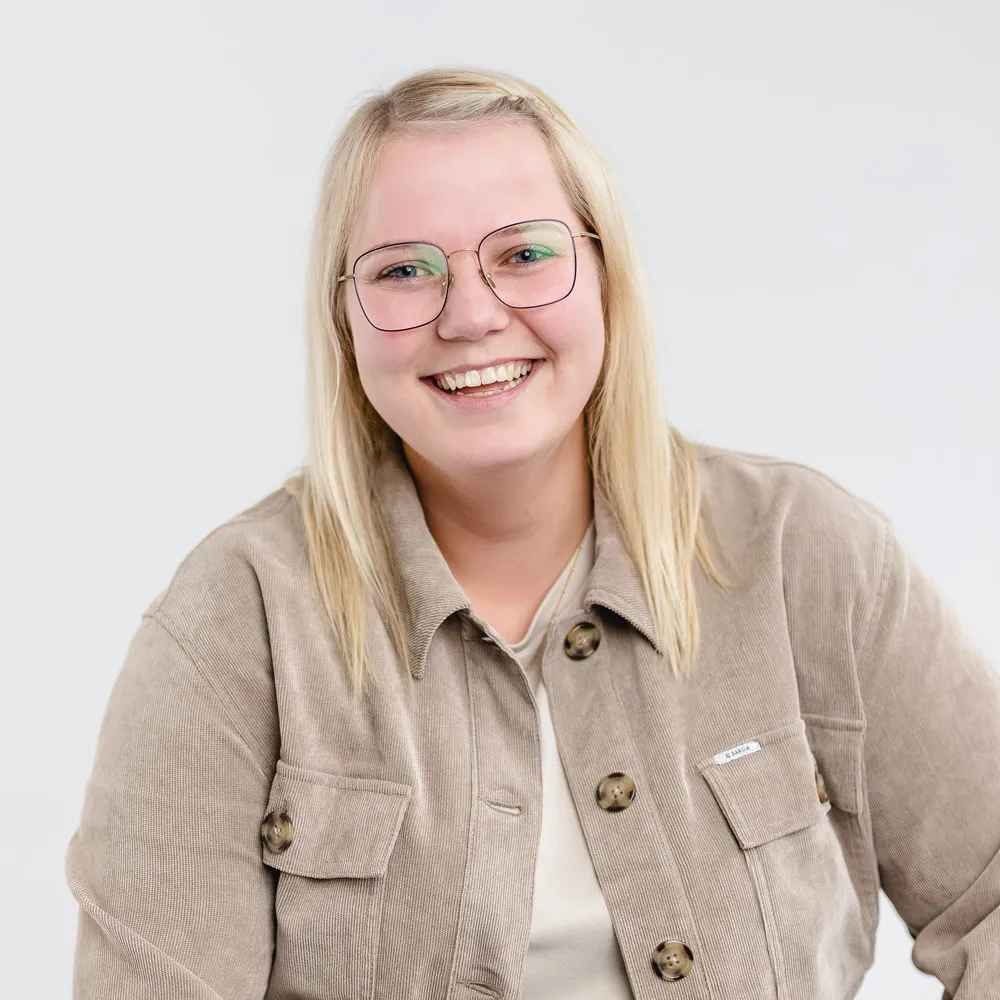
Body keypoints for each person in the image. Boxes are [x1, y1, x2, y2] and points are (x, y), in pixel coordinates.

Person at [65, 66, 1000, 999]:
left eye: (522, 255)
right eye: (403, 270)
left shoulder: (808, 555)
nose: (471, 316)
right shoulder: (237, 620)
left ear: (605, 274)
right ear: (344, 319)